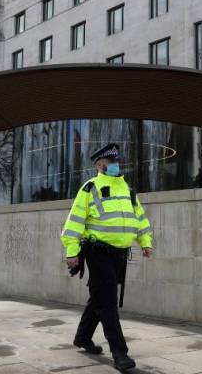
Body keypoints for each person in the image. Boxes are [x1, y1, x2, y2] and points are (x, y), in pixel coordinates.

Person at [60, 143, 153, 371]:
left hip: (119, 254)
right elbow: (74, 223)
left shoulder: (128, 191)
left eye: (116, 161)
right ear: (100, 164)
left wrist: (145, 242)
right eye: (111, 162)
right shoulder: (89, 188)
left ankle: (82, 337)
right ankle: (119, 352)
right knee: (108, 302)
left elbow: (139, 218)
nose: (115, 165)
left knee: (100, 298)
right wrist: (71, 252)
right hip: (97, 252)